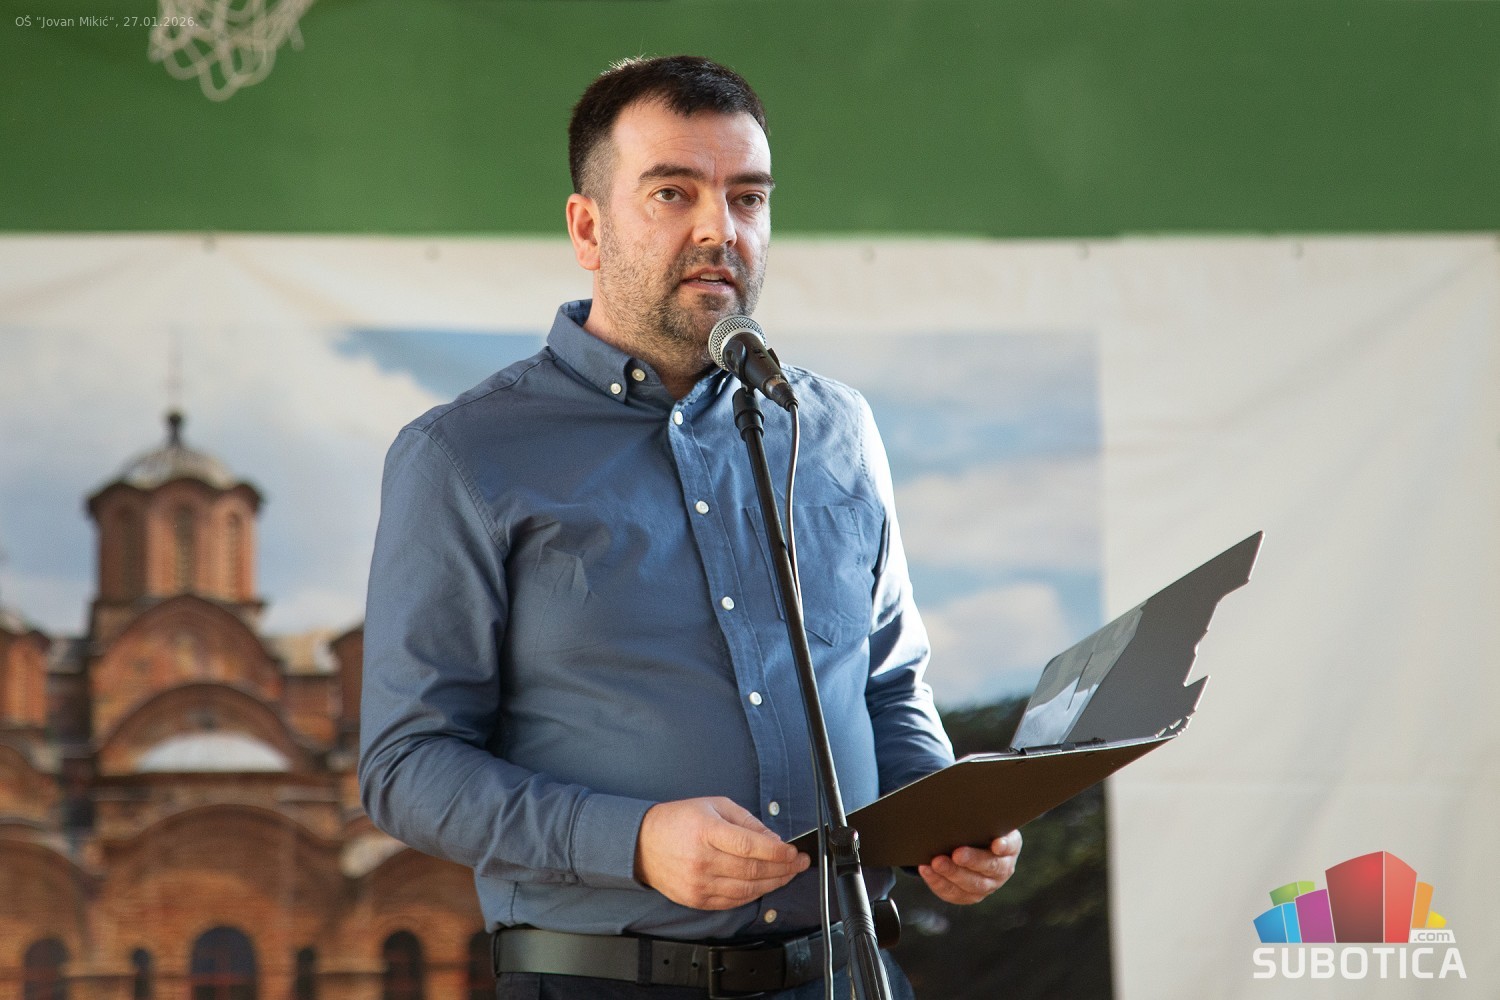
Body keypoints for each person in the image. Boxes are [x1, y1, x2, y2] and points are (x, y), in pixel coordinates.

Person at [359, 55, 1022, 999]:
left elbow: (886, 682)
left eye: (748, 198)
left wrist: (943, 821)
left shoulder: (834, 427)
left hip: (848, 976)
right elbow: (406, 767)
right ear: (588, 227)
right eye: (673, 193)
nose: (720, 229)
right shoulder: (461, 454)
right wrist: (632, 840)